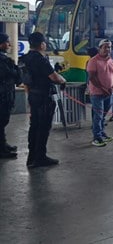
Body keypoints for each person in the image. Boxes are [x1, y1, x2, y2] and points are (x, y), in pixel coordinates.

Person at [22, 32, 67, 168]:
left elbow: (26, 82)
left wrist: (29, 98)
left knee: (34, 126)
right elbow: (55, 78)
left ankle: (32, 157)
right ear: (42, 44)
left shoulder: (25, 58)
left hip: (33, 96)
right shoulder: (41, 60)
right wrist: (63, 79)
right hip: (43, 97)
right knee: (43, 128)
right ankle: (40, 157)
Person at [87, 39, 113, 147]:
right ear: (100, 48)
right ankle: (97, 137)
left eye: (109, 47)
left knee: (103, 115)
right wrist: (103, 88)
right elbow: (92, 77)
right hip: (97, 93)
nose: (107, 49)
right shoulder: (93, 61)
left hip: (109, 93)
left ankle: (102, 133)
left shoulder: (112, 61)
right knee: (98, 116)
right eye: (105, 47)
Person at [0, 33, 21, 159]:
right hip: (2, 95)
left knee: (3, 121)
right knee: (1, 120)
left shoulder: (4, 59)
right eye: (7, 42)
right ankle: (1, 150)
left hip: (5, 94)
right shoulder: (3, 61)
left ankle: (3, 144)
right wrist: (14, 69)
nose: (9, 45)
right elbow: (11, 74)